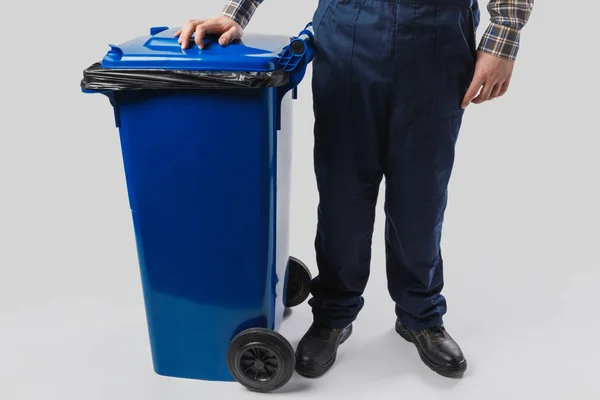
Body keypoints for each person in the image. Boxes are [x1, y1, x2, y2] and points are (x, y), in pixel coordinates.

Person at [176, 0, 533, 379]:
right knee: (342, 192)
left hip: (438, 34)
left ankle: (421, 315)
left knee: (422, 193)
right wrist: (236, 12)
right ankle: (333, 313)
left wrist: (502, 38)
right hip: (349, 31)